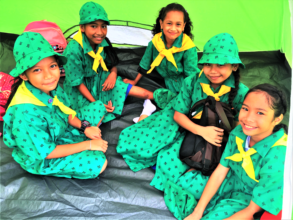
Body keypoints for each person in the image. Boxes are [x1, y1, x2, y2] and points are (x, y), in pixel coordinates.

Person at [117, 33, 249, 191]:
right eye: (208, 64)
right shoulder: (192, 82)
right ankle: (147, 113)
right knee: (137, 145)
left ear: (234, 66)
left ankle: (164, 152)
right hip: (187, 123)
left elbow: (239, 127)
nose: (213, 71)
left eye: (220, 65)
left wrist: (217, 140)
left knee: (176, 170)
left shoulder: (241, 93)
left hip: (214, 136)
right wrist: (201, 131)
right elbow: (178, 115)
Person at [166, 84, 288, 220]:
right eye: (245, 108)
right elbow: (220, 171)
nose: (248, 118)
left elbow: (252, 210)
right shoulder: (238, 132)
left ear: (277, 119)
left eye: (260, 113)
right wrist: (197, 212)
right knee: (183, 184)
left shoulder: (279, 158)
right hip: (230, 181)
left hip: (248, 199)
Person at [3, 32, 108, 179]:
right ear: (24, 75)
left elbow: (65, 111)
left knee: (98, 107)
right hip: (43, 155)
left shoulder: (51, 86)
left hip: (61, 129)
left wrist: (85, 127)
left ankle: (82, 138)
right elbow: (47, 152)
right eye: (37, 70)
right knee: (99, 163)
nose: (49, 75)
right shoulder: (25, 113)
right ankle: (81, 145)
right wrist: (88, 145)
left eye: (52, 66)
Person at [63, 1, 154, 123]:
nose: (100, 32)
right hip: (81, 90)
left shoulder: (102, 42)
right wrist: (97, 103)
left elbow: (112, 65)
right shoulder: (72, 51)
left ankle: (159, 100)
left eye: (103, 26)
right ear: (82, 27)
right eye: (93, 26)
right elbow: (77, 83)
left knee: (124, 88)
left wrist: (113, 74)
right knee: (91, 117)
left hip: (101, 80)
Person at [123, 3, 200, 122]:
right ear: (161, 23)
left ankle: (147, 112)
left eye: (178, 24)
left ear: (183, 26)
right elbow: (145, 63)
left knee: (183, 108)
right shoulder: (155, 43)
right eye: (169, 23)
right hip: (165, 80)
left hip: (183, 83)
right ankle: (149, 111)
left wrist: (189, 95)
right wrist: (134, 81)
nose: (173, 28)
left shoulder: (188, 47)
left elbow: (191, 76)